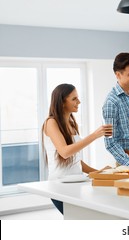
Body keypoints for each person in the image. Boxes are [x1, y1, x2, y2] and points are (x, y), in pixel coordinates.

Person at [42, 83, 109, 214]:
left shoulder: (72, 124)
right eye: (74, 99)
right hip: (59, 186)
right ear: (62, 102)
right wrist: (94, 136)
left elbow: (76, 160)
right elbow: (65, 152)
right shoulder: (51, 122)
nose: (79, 101)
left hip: (76, 184)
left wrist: (99, 173)